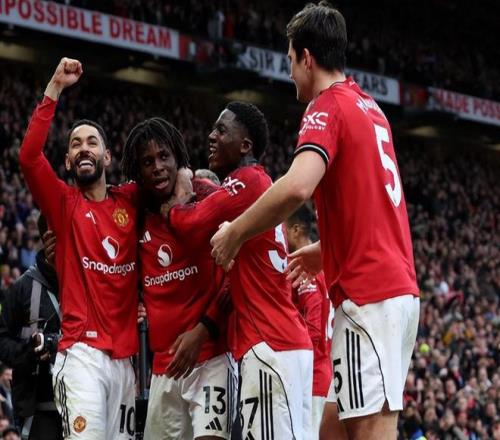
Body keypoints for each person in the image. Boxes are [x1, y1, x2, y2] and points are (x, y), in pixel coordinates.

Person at [209, 3, 420, 439]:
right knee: (330, 431)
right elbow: (375, 208)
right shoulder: (370, 107)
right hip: (390, 291)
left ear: (307, 58)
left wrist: (236, 232)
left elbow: (297, 186)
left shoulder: (327, 106)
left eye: (290, 60)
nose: (289, 72)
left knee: (371, 431)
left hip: (368, 297)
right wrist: (325, 250)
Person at [166, 101, 313, 439]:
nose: (211, 136)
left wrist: (178, 198)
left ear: (245, 145)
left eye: (221, 130)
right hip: (288, 344)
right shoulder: (261, 183)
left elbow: (190, 225)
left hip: (268, 344)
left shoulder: (245, 181)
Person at [19, 58, 138, 439]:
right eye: (75, 144)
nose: (84, 149)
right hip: (81, 357)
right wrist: (54, 87)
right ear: (68, 162)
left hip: (126, 364)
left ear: (107, 156)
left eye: (91, 142)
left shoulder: (131, 203)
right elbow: (29, 157)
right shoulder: (64, 204)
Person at [121, 118, 236, 439]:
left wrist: (203, 330)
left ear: (178, 159)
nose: (158, 167)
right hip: (164, 368)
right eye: (147, 162)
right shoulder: (135, 214)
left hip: (212, 358)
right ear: (137, 170)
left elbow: (238, 275)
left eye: (164, 157)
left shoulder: (206, 197)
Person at [0, 215, 62, 440]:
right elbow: (2, 340)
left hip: (83, 400)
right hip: (39, 410)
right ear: (48, 238)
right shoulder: (21, 288)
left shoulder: (88, 282)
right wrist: (30, 350)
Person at [284, 205, 334, 440]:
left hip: (313, 376)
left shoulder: (306, 271)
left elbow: (313, 329)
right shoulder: (321, 266)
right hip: (324, 372)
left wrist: (296, 369)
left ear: (295, 230)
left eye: (282, 228)